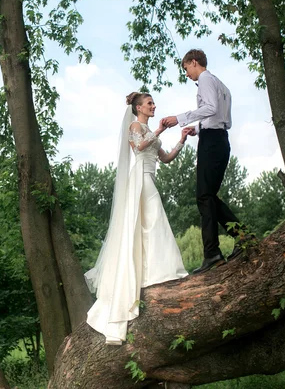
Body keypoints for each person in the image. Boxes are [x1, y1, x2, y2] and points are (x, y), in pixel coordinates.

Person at [85, 91, 189, 345]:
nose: (154, 106)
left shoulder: (149, 130)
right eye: (149, 103)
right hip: (140, 179)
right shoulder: (135, 126)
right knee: (154, 221)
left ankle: (155, 271)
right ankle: (157, 272)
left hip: (150, 176)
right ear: (139, 108)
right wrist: (160, 130)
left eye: (153, 103)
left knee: (152, 224)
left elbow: (165, 159)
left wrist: (182, 140)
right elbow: (137, 147)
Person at [162, 49, 241, 275]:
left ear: (194, 62)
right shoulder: (221, 85)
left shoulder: (205, 79)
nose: (186, 74)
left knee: (204, 197)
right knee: (209, 196)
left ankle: (212, 254)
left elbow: (210, 108)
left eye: (186, 69)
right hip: (219, 140)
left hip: (212, 144)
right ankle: (242, 236)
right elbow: (220, 118)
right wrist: (198, 129)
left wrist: (179, 118)